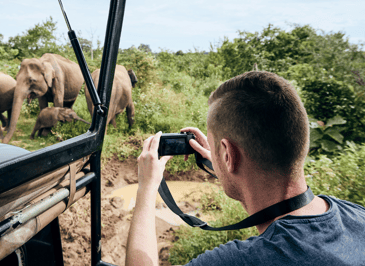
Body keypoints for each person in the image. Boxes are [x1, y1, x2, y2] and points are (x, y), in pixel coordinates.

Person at [125, 71, 365, 266]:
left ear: (229, 154)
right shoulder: (356, 215)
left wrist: (147, 187)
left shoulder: (242, 260)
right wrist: (221, 162)